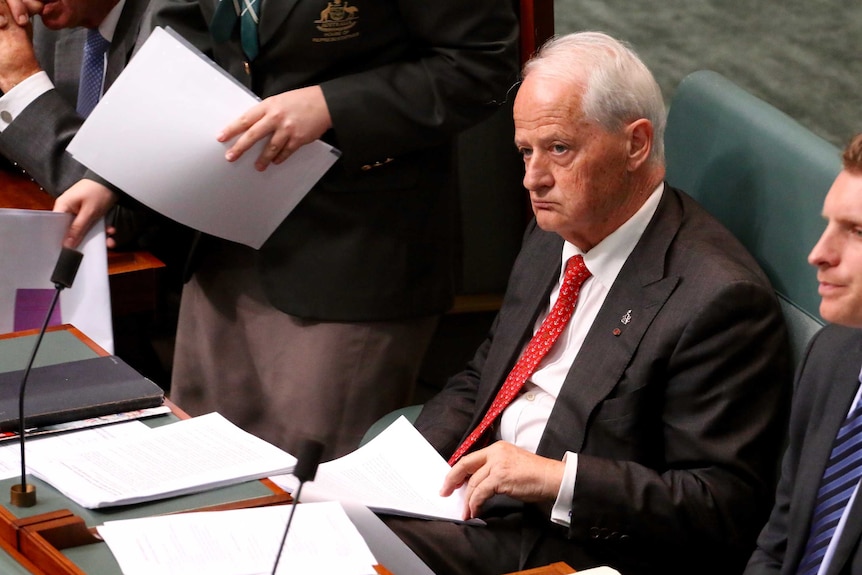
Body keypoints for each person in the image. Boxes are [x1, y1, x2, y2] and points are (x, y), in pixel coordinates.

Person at [381, 32, 793, 575]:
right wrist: (399, 469)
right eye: (525, 151)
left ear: (636, 144)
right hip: (476, 496)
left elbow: (720, 504)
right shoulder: (557, 226)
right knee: (317, 518)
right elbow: (489, 369)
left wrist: (556, 479)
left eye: (558, 149)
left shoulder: (718, 300)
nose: (533, 178)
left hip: (571, 544)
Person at [44, 0, 520, 460]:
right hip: (222, 233)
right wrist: (112, 174)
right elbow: (178, 40)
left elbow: (481, 66)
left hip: (351, 249)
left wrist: (331, 105)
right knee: (200, 463)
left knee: (305, 496)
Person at [744, 133, 862, 575]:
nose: (818, 254)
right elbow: (777, 547)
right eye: (828, 224)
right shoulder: (833, 355)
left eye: (857, 232)